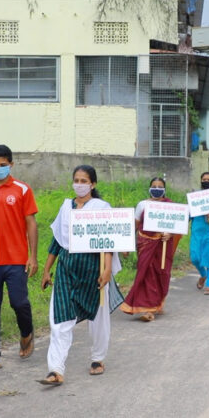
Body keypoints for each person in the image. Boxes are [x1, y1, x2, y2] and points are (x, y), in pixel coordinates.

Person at [39, 165, 124, 386]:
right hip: (67, 269)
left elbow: (107, 241)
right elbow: (58, 240)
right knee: (60, 317)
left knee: (98, 317)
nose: (79, 184)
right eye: (76, 180)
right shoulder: (65, 207)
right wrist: (47, 269)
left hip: (92, 269)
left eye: (84, 180)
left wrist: (106, 270)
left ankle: (98, 358)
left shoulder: (101, 207)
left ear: (93, 184)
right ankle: (55, 369)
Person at [0, 145, 38, 375]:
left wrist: (33, 256)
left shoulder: (22, 190)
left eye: (3, 165)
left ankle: (27, 333)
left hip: (16, 259)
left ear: (11, 165)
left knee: (19, 302)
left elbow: (31, 223)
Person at [120, 178, 182, 322]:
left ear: (164, 190)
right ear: (149, 188)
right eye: (154, 186)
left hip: (163, 245)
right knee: (145, 274)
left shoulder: (170, 206)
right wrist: (126, 245)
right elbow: (134, 226)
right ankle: (146, 308)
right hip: (145, 244)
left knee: (161, 274)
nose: (157, 189)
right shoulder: (142, 205)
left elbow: (177, 225)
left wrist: (170, 233)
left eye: (160, 187)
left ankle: (156, 303)